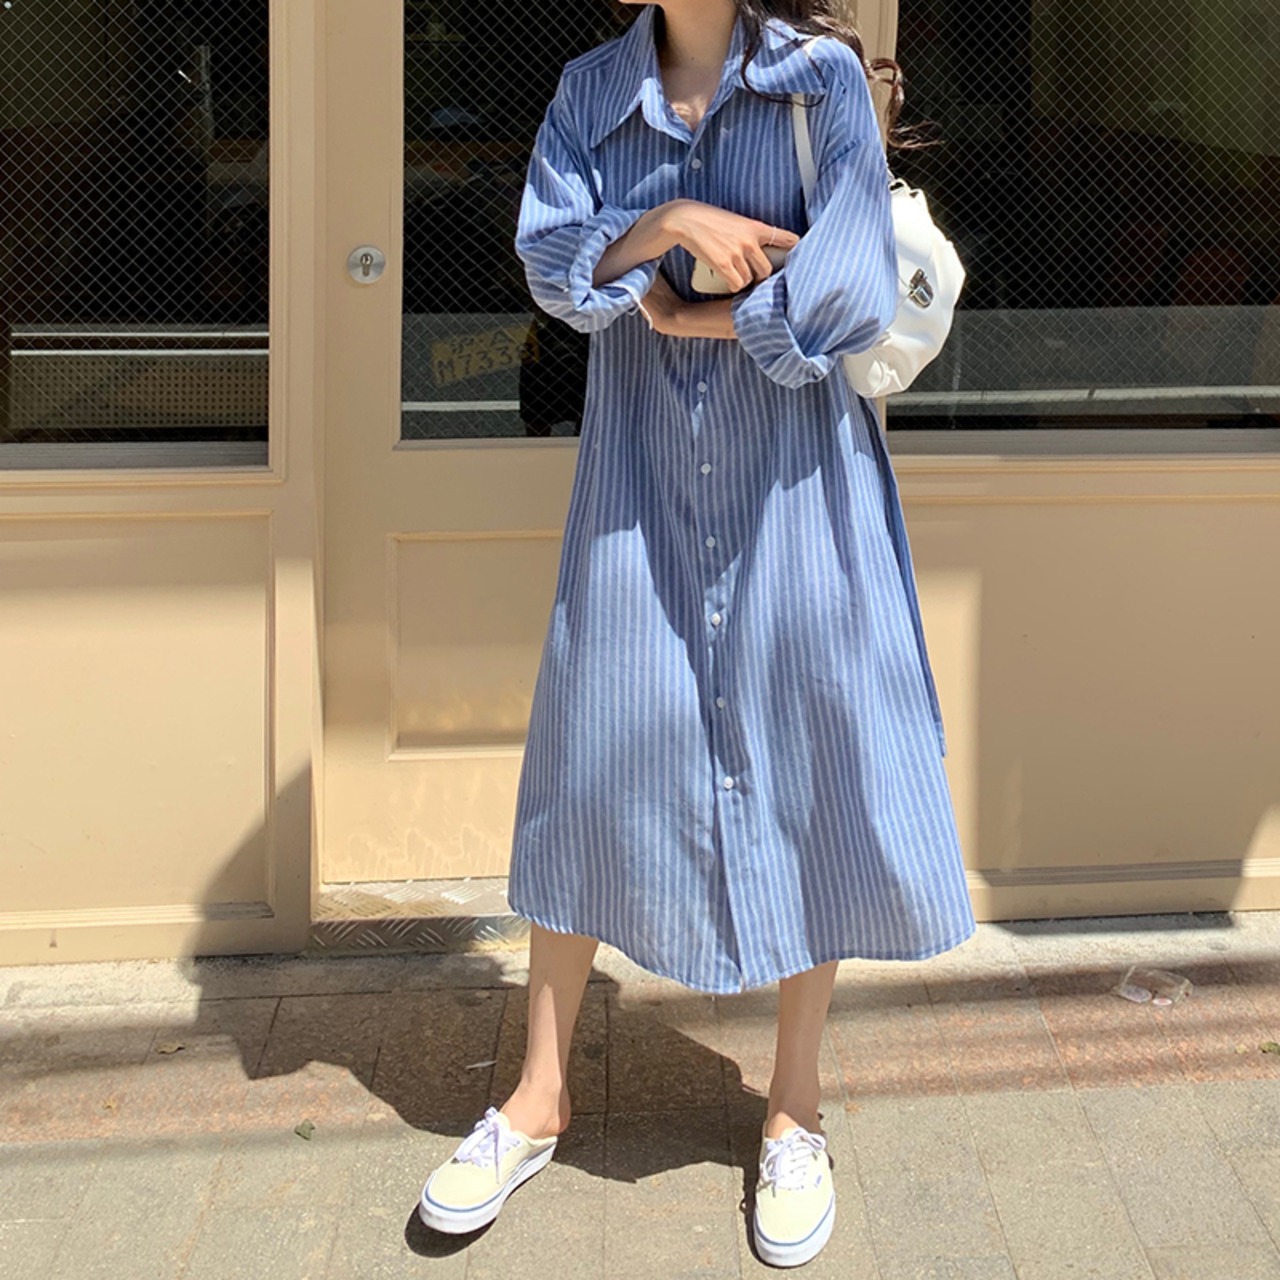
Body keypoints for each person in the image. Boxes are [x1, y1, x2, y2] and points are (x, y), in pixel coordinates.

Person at [419, 1, 976, 1267]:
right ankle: (538, 1094)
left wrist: (695, 316)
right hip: (637, 486)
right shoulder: (588, 93)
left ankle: (792, 1106)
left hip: (798, 489)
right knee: (589, 762)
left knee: (810, 753)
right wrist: (665, 225)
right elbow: (550, 266)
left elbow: (847, 290)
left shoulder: (815, 80)